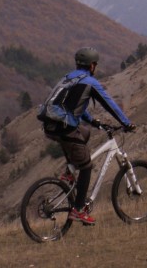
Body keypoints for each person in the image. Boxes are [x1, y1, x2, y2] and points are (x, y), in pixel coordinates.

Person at [41, 46, 136, 225]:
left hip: (50, 125)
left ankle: (69, 171)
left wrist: (93, 122)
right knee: (86, 167)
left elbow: (72, 107)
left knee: (84, 132)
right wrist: (126, 123)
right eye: (95, 64)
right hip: (65, 127)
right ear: (92, 65)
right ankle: (77, 211)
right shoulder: (91, 83)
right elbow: (110, 105)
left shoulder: (69, 78)